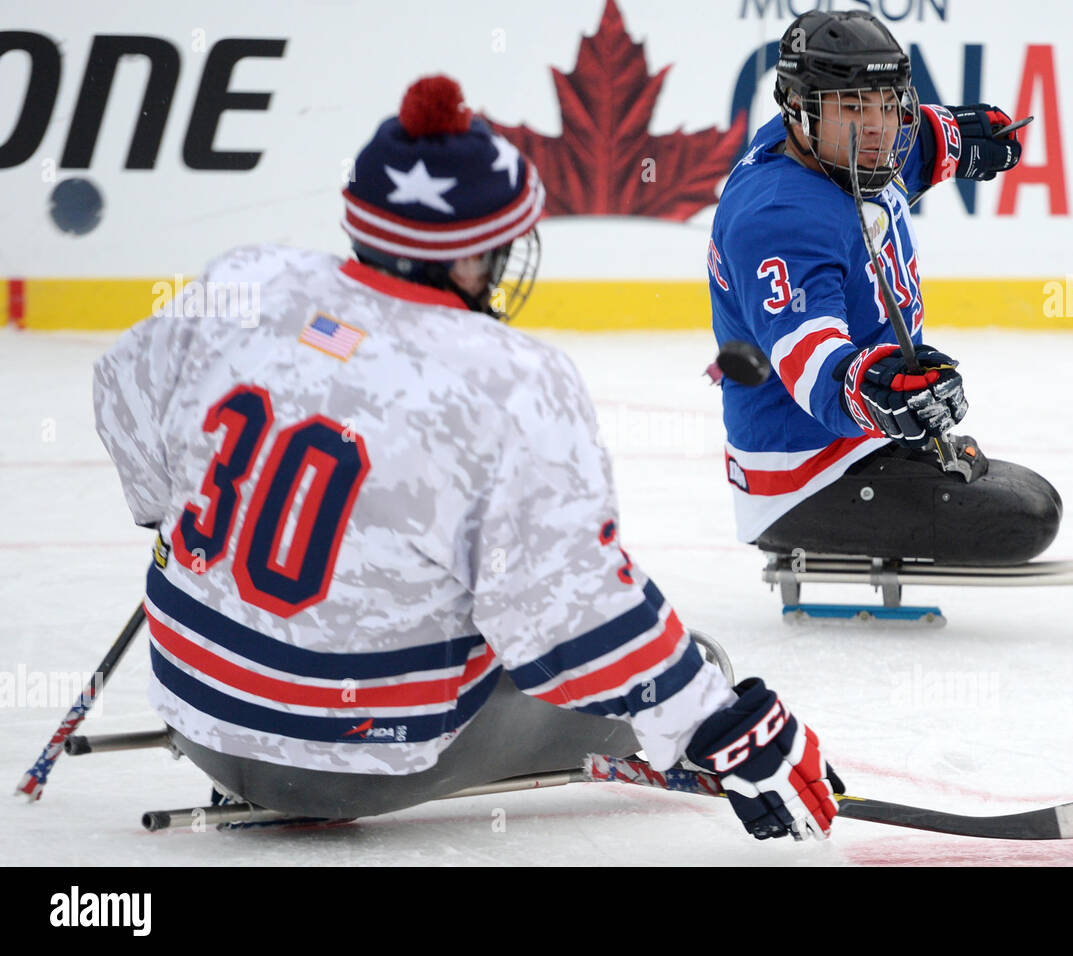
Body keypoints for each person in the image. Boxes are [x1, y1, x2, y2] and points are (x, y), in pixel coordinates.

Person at [92, 76, 839, 841]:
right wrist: (718, 721)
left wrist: (172, 514)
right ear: (472, 261)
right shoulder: (509, 381)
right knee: (681, 659)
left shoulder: (246, 280)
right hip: (352, 758)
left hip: (190, 700)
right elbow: (576, 612)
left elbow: (118, 386)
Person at [709, 11, 1061, 565]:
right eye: (854, 108)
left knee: (1028, 501)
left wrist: (946, 139)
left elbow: (904, 152)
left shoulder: (835, 149)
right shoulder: (778, 218)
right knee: (1027, 517)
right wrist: (872, 385)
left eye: (886, 103)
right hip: (804, 472)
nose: (878, 127)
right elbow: (811, 360)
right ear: (798, 112)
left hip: (860, 440)